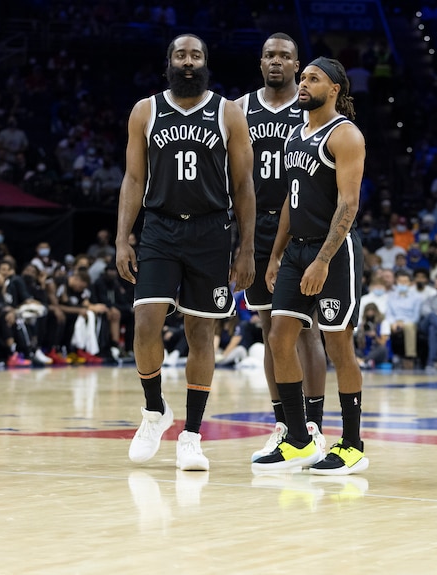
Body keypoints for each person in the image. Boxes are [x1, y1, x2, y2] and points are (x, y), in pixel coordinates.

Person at [115, 34, 256, 472]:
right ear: (169, 63)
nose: (189, 62)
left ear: (206, 63)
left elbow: (244, 185)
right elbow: (134, 179)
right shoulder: (145, 110)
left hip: (212, 231)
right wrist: (123, 237)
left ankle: (192, 436)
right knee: (146, 321)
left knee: (201, 333)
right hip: (159, 227)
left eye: (196, 55)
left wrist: (246, 247)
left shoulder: (228, 112)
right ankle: (155, 410)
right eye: (181, 55)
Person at [254, 56, 368, 475]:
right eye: (302, 79)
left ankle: (353, 444)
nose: (303, 84)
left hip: (333, 253)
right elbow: (291, 198)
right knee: (280, 338)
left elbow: (349, 204)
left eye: (313, 79)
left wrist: (322, 259)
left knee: (339, 346)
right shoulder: (295, 136)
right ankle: (300, 439)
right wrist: (276, 253)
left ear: (334, 88)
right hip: (295, 251)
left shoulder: (346, 135)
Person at [235, 32, 328, 462]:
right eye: (269, 55)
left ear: (297, 65)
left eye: (285, 56)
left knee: (303, 328)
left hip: (299, 227)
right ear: (260, 63)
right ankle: (284, 425)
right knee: (271, 330)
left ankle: (313, 425)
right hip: (255, 228)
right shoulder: (239, 109)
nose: (276, 61)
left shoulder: (310, 106)